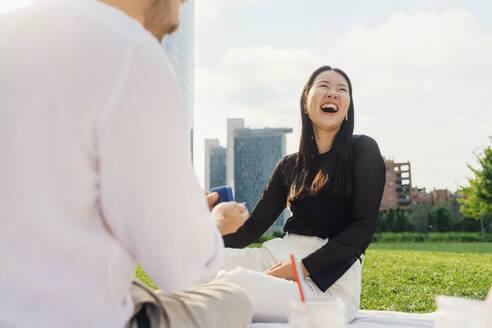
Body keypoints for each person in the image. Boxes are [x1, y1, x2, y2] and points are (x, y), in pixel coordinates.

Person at [0, 0, 252, 327]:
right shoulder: (129, 49)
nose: (179, 17)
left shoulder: (10, 28)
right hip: (77, 316)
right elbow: (178, 266)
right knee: (234, 300)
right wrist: (213, 223)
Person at [210, 66, 386, 323]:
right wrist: (213, 228)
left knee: (236, 283)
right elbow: (253, 227)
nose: (333, 94)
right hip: (277, 258)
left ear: (348, 106)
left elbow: (362, 229)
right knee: (199, 264)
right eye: (324, 86)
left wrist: (298, 269)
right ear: (306, 100)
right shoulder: (289, 165)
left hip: (329, 285)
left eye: (342, 90)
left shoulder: (363, 150)